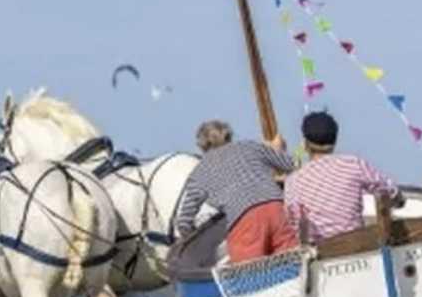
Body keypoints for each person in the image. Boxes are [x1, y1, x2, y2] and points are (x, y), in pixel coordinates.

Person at [168, 120, 296, 275]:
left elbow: (183, 221)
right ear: (229, 136)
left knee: (250, 280)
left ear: (201, 145)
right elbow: (290, 165)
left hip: (245, 221)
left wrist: (190, 239)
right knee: (293, 268)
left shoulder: (199, 172)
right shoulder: (250, 146)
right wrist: (277, 151)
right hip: (278, 210)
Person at [283, 111, 402, 242]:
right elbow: (389, 190)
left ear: (305, 144)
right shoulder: (353, 163)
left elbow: (293, 221)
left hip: (320, 252)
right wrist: (399, 201)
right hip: (356, 245)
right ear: (335, 141)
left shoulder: (293, 181)